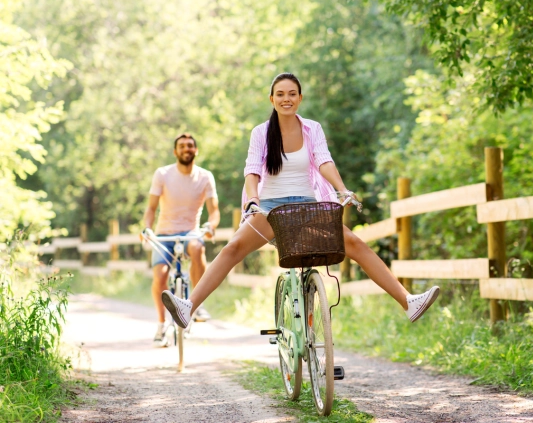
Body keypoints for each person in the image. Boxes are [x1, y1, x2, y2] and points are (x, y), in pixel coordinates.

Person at [162, 73, 439, 329]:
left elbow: (323, 161)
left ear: (300, 98)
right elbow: (252, 170)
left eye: (292, 93)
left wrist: (342, 189)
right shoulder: (261, 133)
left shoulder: (312, 129)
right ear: (272, 99)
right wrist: (254, 200)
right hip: (270, 208)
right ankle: (189, 307)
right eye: (280, 94)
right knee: (233, 248)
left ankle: (408, 302)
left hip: (307, 206)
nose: (286, 99)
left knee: (353, 242)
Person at [143, 133, 220, 347]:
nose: (186, 149)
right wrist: (147, 229)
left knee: (197, 248)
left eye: (190, 146)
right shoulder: (162, 174)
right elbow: (151, 208)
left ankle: (196, 304)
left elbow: (214, 212)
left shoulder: (205, 176)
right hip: (164, 234)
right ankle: (160, 325)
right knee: (160, 276)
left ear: (195, 150)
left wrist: (210, 226)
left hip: (190, 233)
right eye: (182, 146)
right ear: (175, 151)